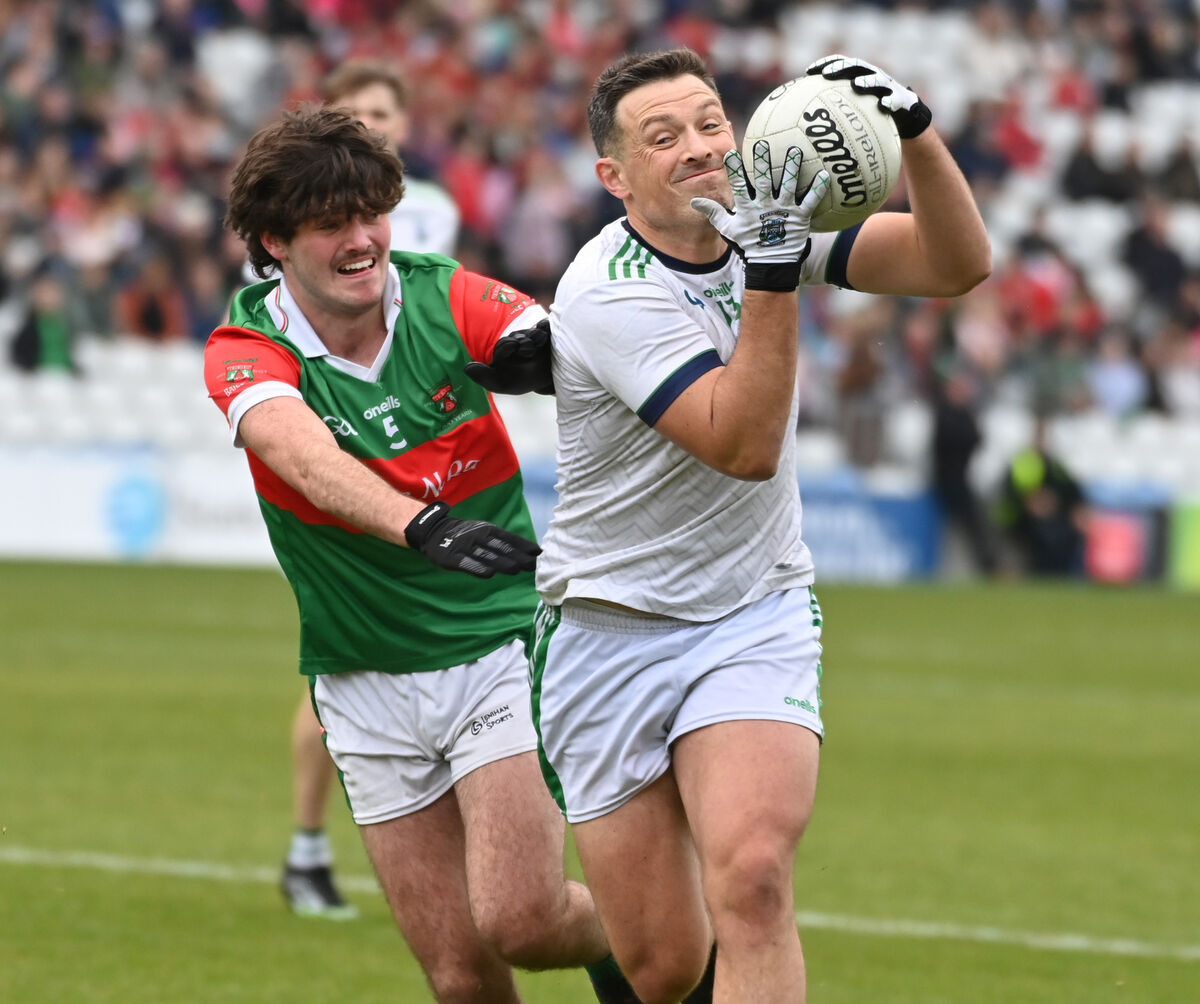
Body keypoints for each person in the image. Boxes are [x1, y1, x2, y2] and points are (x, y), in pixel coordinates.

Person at [524, 49, 989, 1004]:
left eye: (708, 123)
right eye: (664, 138)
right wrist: (773, 272)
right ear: (614, 177)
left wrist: (919, 135)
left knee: (755, 882)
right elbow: (740, 442)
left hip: (751, 613)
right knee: (659, 968)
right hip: (605, 629)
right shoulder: (606, 291)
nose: (698, 149)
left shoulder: (767, 227)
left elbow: (956, 264)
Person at [205, 106, 638, 1004]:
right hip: (360, 682)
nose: (364, 240)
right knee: (459, 981)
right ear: (276, 242)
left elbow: (542, 334)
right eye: (332, 224)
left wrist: (544, 353)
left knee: (521, 922)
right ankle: (658, 930)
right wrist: (423, 525)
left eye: (374, 214)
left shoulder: (442, 293)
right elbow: (303, 457)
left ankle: (666, 936)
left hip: (496, 650)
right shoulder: (246, 349)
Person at [267, 59, 463, 919]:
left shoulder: (436, 214)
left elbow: (438, 318)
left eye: (384, 111)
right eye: (356, 114)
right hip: (333, 444)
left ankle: (464, 856)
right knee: (342, 654)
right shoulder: (301, 210)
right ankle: (308, 846)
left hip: (422, 442)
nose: (373, 126)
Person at [995, 415, 1089, 577]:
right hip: (1021, 518)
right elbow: (1011, 493)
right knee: (1045, 533)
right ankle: (1041, 573)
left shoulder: (1054, 464)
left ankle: (1061, 574)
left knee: (1067, 533)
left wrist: (1078, 509)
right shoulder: (1021, 462)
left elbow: (1072, 490)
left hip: (1054, 516)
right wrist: (1032, 502)